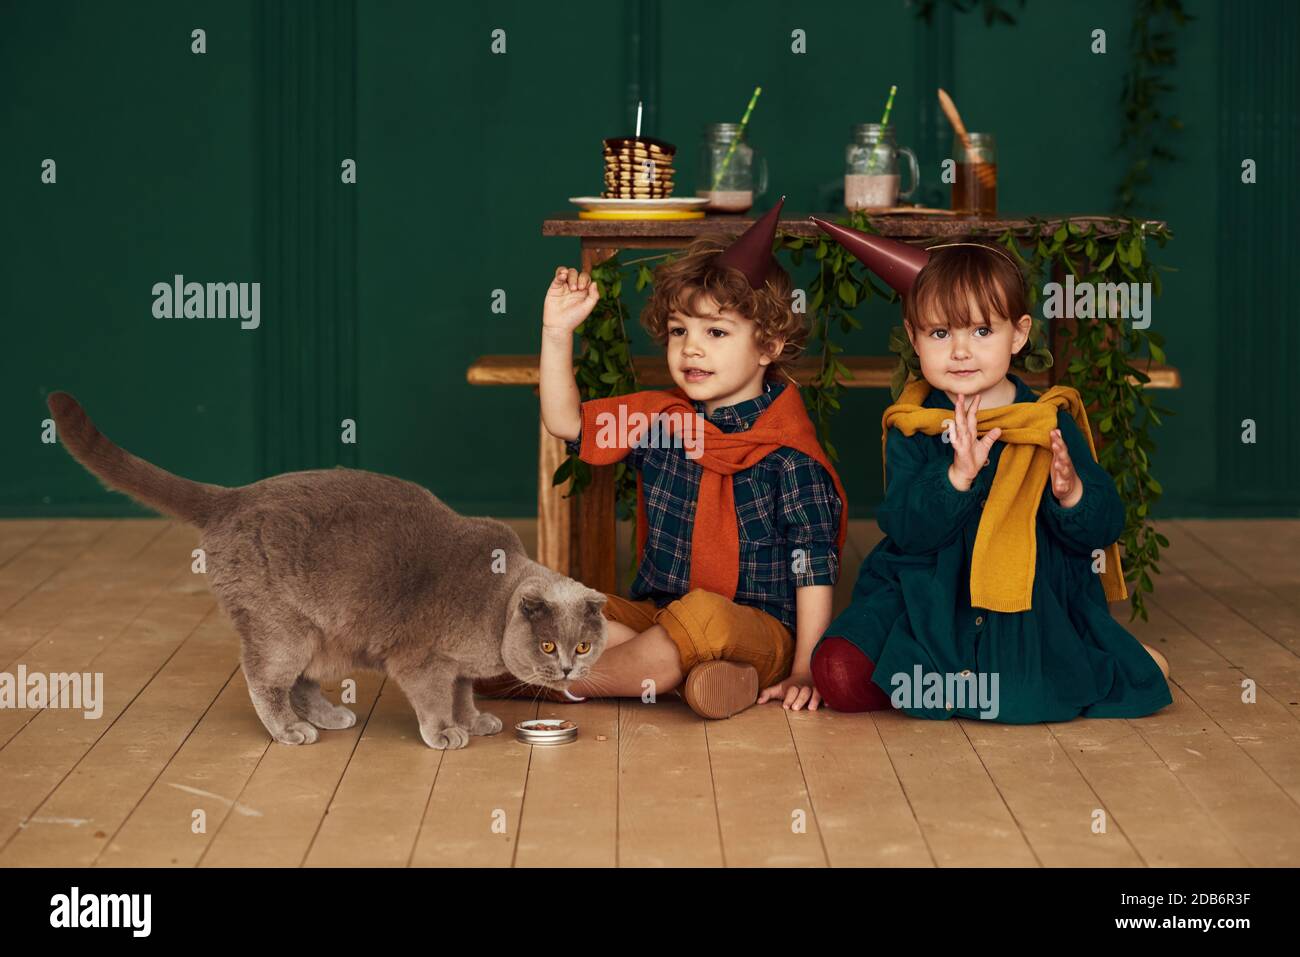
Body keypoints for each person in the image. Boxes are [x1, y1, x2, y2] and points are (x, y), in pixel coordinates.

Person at [476, 197, 849, 718]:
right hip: (659, 617)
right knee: (573, 606)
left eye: (715, 332)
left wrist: (806, 668)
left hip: (757, 632)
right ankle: (684, 678)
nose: (691, 349)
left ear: (769, 345)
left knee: (704, 619)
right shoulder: (660, 424)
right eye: (680, 331)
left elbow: (813, 567)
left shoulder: (790, 458)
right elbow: (567, 423)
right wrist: (557, 332)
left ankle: (553, 683)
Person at [805, 220, 1171, 723]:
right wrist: (955, 478)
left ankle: (1109, 662)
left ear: (1018, 334)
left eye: (982, 331)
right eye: (940, 332)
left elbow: (1104, 526)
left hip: (1023, 596)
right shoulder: (914, 425)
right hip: (928, 589)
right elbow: (908, 532)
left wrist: (1071, 492)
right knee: (837, 674)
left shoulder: (1046, 421)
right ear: (913, 338)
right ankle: (940, 671)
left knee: (1018, 699)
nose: (960, 351)